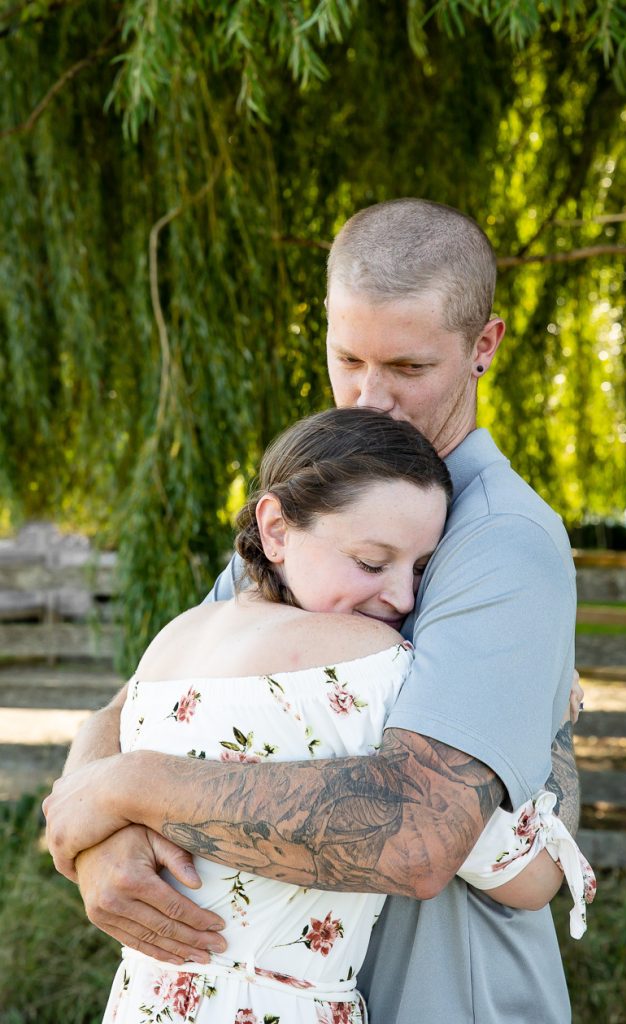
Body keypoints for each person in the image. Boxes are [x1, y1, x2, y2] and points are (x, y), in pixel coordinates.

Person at [45, 199, 584, 1023]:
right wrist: (98, 838)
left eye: (407, 368)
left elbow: (417, 837)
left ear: (482, 347)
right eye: (348, 360)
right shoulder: (322, 511)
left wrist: (134, 788)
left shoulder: (500, 540)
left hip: (440, 998)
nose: (371, 400)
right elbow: (150, 703)